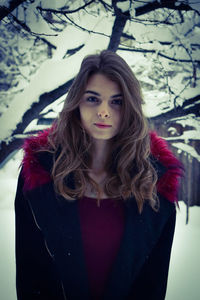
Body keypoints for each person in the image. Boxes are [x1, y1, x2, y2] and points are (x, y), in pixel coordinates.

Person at [15, 50, 183, 300]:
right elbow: (30, 276)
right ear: (76, 104)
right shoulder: (40, 174)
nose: (104, 111)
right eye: (93, 99)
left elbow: (154, 284)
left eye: (117, 101)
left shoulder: (155, 182)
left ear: (130, 108)